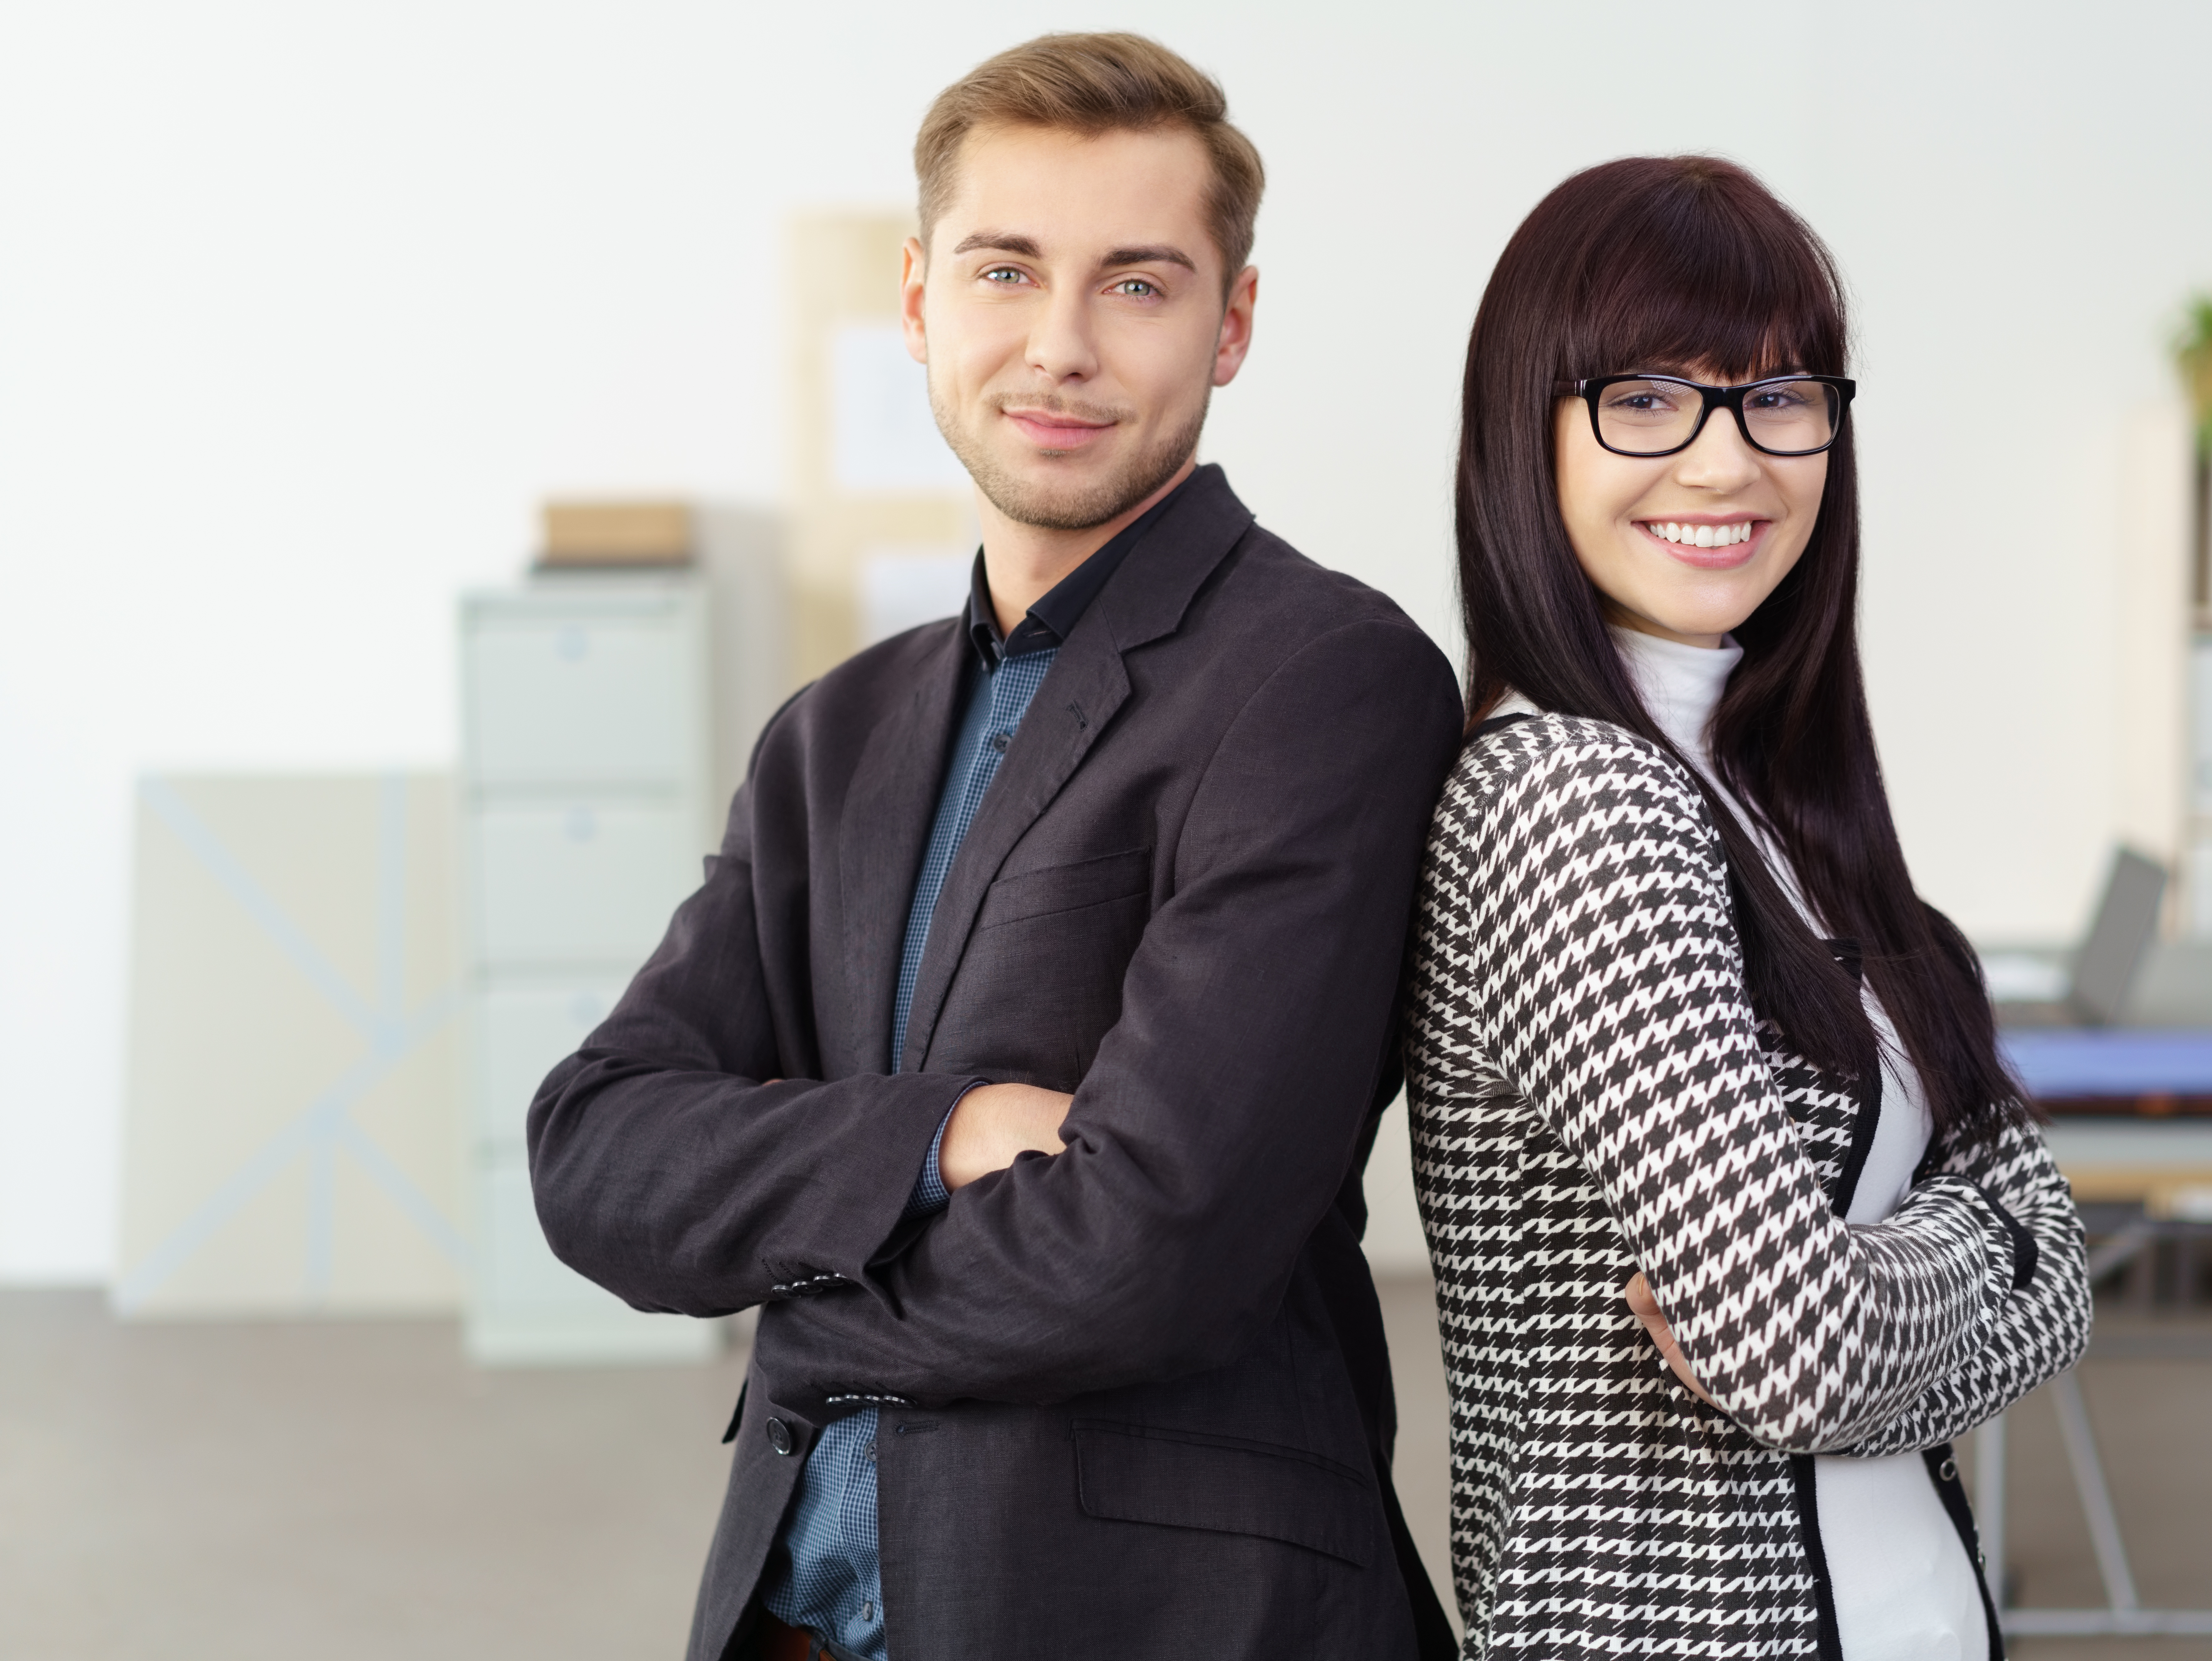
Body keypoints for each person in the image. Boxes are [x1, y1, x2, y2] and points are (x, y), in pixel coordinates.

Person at [529, 33, 1463, 1661]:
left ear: (1233, 324)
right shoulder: (834, 731)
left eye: (1138, 284)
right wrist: (942, 1132)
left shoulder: (1326, 681)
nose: (1059, 346)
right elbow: (594, 1152)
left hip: (1147, 1614)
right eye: (1006, 271)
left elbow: (1146, 1246)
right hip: (799, 1612)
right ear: (917, 302)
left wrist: (795, 1296)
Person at [1403, 156, 2092, 1659]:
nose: (1726, 465)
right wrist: (1993, 1246)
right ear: (1526, 432)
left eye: (1778, 397)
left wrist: (1939, 1261)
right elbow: (1797, 1351)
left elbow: (2049, 1272)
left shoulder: (1783, 797)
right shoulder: (1568, 801)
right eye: (1646, 399)